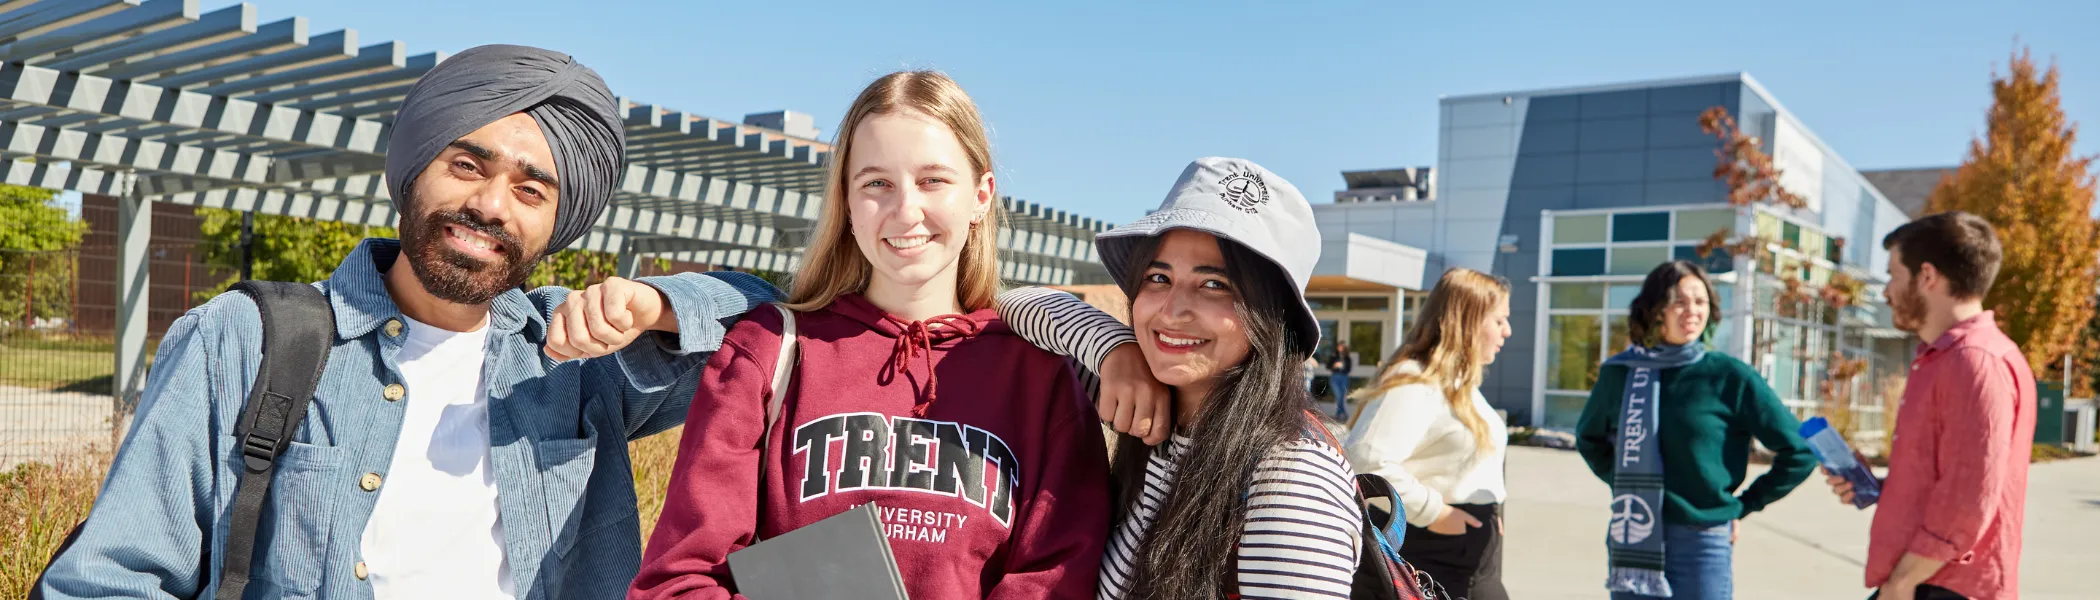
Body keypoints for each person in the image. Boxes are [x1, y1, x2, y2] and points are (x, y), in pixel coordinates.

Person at [35, 45, 783, 600]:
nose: (491, 204)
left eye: (530, 191)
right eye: (466, 165)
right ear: (414, 167)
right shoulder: (244, 339)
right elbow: (108, 581)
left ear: (557, 226)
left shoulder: (581, 364)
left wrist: (654, 305)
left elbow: (777, 320)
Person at [629, 71, 1112, 599]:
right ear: (846, 201)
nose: (906, 210)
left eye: (933, 180)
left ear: (981, 196)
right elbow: (676, 583)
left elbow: (1057, 579)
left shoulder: (1040, 376)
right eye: (876, 183)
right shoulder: (771, 351)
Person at [1095, 157, 1362, 600]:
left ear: (1270, 315)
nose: (1172, 310)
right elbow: (1019, 304)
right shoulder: (1142, 404)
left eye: (1215, 285)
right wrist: (1114, 350)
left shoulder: (1289, 480)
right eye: (1158, 277)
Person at [1576, 260, 1817, 600]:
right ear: (1654, 309)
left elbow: (1801, 451)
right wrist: (1628, 482)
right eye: (1679, 301)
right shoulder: (1622, 373)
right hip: (1634, 535)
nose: (1691, 310)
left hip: (1702, 543)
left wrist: (1744, 505)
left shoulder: (1729, 376)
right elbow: (1589, 439)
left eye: (1700, 301)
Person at [1826, 212, 2033, 600]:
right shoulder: (1944, 358)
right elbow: (1951, 481)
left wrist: (1902, 582)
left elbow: (1969, 500)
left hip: (1941, 585)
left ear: (1926, 277)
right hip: (1925, 578)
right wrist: (1886, 489)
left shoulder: (1975, 362)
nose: (1885, 291)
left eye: (1892, 274)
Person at [1343, 267, 1513, 600]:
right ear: (1467, 320)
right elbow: (1366, 459)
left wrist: (1489, 511)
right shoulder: (1417, 380)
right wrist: (1435, 512)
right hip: (1436, 558)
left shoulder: (1461, 386)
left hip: (1468, 557)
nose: (1507, 331)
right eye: (1498, 320)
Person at [1327, 341, 1355, 418]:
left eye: (1342, 346)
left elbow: (1348, 369)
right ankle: (1343, 413)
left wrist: (1343, 367)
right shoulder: (1334, 356)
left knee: (1342, 396)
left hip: (1344, 378)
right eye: (1339, 346)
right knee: (1339, 395)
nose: (1340, 347)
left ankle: (1338, 414)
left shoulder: (1347, 358)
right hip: (1335, 377)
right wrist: (1334, 366)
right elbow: (1328, 366)